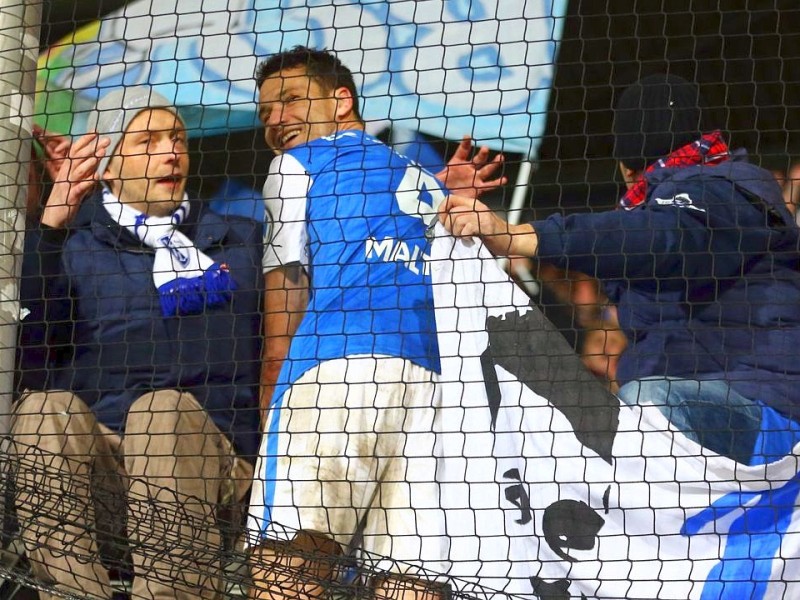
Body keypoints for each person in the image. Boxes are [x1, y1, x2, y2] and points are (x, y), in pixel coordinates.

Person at [247, 46, 505, 600]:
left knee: (289, 561)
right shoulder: (429, 185)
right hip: (435, 396)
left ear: (341, 101)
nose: (275, 121)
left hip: (329, 380)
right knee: (410, 580)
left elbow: (285, 280)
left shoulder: (293, 168)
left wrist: (273, 382)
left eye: (290, 100)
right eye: (265, 112)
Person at [440, 73, 800, 466]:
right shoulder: (694, 194)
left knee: (644, 411)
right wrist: (443, 198)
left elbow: (664, 237)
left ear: (626, 167)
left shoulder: (725, 187)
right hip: (700, 412)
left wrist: (520, 236)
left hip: (765, 417)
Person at [12, 86, 263, 599]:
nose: (171, 151)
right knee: (41, 408)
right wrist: (55, 221)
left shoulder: (242, 240)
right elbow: (29, 355)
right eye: (147, 141)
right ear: (107, 166)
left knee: (160, 412)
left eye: (177, 139)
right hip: (103, 477)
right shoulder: (72, 246)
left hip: (210, 472)